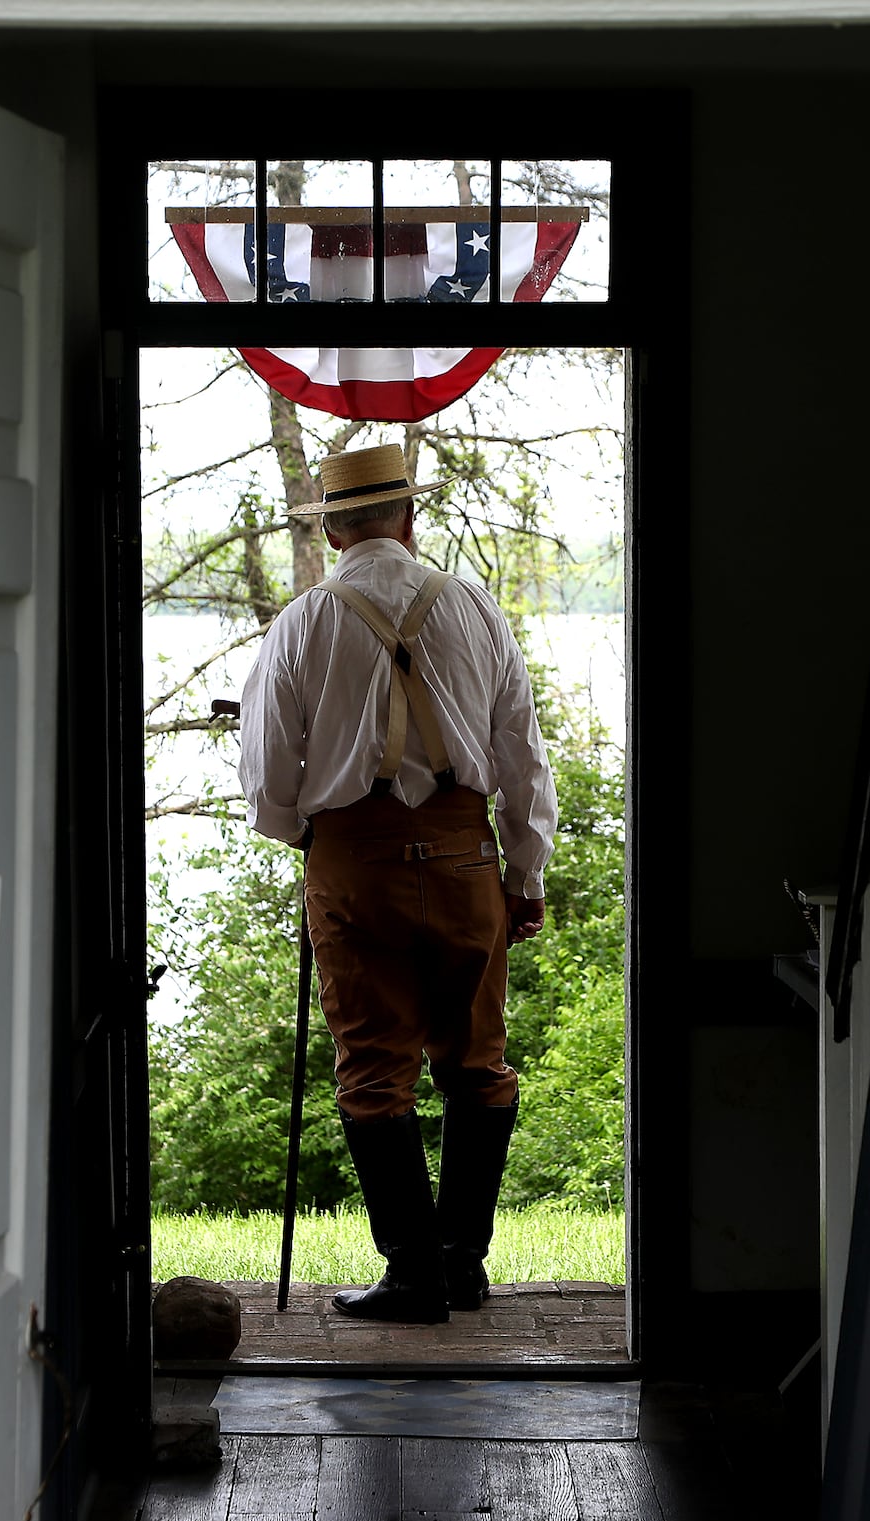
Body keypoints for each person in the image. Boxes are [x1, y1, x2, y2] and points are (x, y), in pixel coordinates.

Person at [237, 441, 557, 1325]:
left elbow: (266, 775)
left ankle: (412, 1273)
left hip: (355, 859)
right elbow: (523, 755)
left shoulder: (302, 623)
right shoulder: (477, 609)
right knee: (479, 1064)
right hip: (464, 858)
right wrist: (524, 875)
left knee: (375, 1071)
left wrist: (309, 835)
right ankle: (461, 1263)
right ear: (408, 519)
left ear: (335, 528)